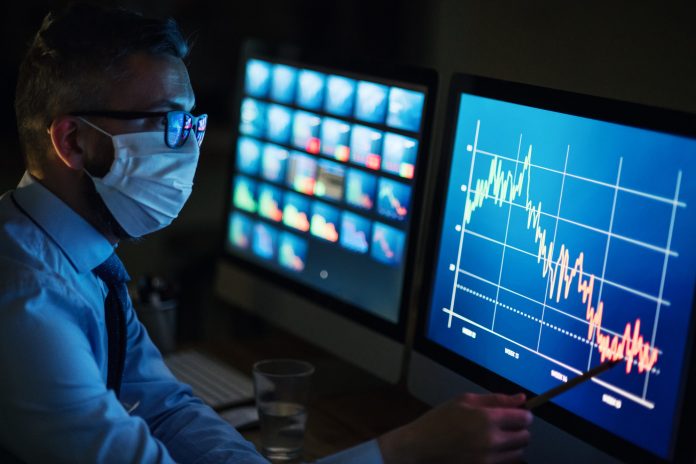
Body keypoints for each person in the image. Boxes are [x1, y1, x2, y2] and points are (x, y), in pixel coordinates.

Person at [0, 3, 533, 463]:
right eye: (167, 122)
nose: (187, 147)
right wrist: (406, 451)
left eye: (192, 123)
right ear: (72, 142)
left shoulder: (76, 257)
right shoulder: (30, 306)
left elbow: (166, 408)